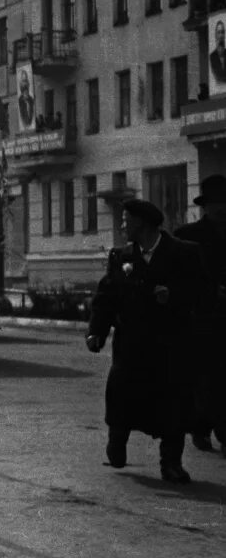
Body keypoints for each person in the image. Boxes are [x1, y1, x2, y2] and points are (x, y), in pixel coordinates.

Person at [87, 198, 210, 483]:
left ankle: (171, 463)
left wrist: (175, 296)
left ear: (141, 223)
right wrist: (97, 332)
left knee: (174, 404)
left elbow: (205, 293)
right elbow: (106, 299)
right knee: (121, 397)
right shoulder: (121, 257)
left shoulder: (185, 253)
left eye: (125, 219)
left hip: (171, 345)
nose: (121, 224)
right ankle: (117, 442)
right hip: (132, 346)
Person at [176, 176, 226, 453]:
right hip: (201, 318)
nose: (221, 208)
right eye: (215, 203)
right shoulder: (188, 235)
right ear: (205, 206)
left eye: (225, 202)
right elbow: (177, 275)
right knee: (203, 377)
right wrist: (207, 291)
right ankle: (201, 428)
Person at [209, 20, 226, 86]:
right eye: (219, 32)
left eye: (222, 32)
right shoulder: (212, 56)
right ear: (215, 35)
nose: (221, 35)